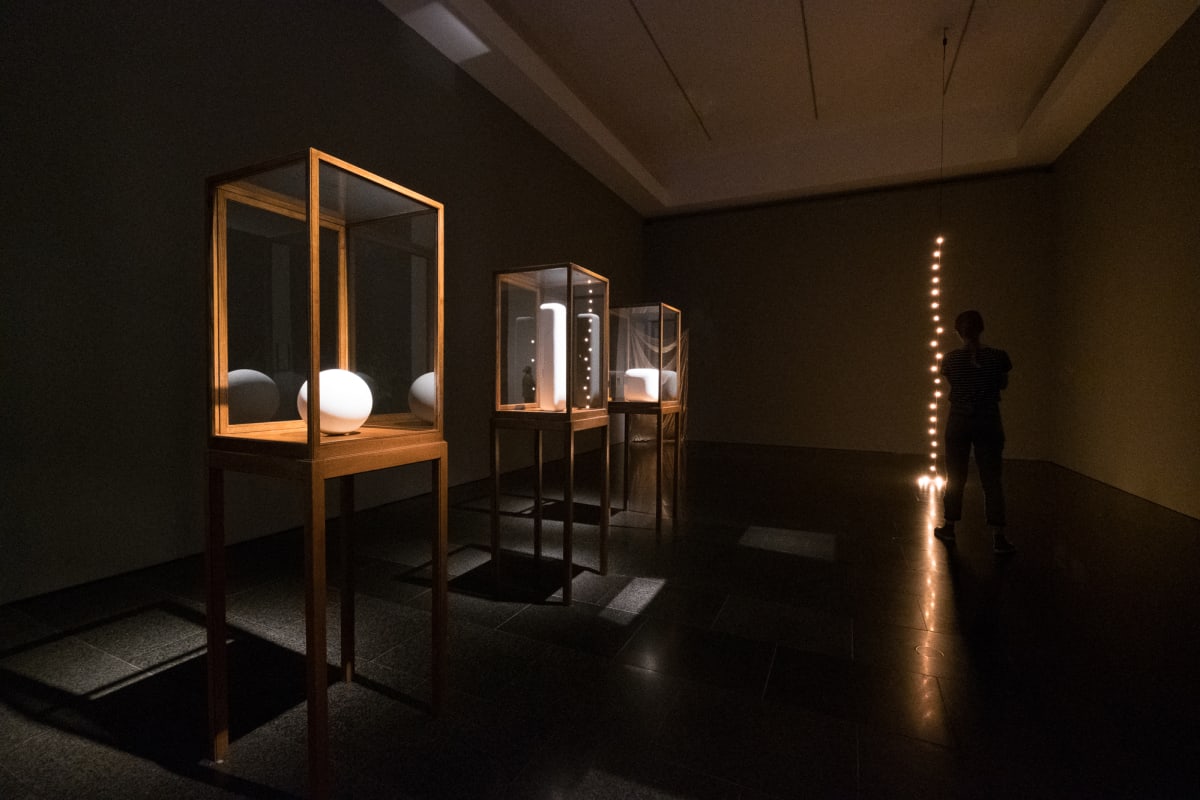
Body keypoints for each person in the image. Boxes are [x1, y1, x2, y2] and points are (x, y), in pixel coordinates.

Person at [934, 310, 1017, 554]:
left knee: (955, 476)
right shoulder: (999, 357)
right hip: (988, 420)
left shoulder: (950, 359)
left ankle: (949, 527)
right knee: (991, 479)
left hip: (959, 420)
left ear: (958, 332)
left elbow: (954, 382)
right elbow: (1003, 383)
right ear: (982, 329)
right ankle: (998, 537)